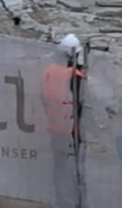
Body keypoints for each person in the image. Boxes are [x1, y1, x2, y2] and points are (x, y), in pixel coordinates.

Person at [42, 34, 84, 208]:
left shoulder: (49, 71)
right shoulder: (74, 75)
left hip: (55, 127)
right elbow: (82, 101)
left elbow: (43, 98)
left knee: (59, 168)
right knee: (73, 169)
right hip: (71, 130)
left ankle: (61, 201)